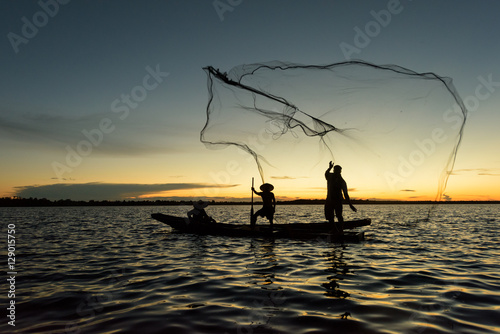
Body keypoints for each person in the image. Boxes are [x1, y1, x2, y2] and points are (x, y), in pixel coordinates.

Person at [324, 161, 357, 231]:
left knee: (339, 216)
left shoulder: (342, 181)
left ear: (340, 172)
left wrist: (350, 205)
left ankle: (341, 230)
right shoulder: (330, 176)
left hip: (338, 201)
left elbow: (346, 194)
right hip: (329, 201)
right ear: (333, 170)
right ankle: (334, 230)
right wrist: (329, 168)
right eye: (335, 170)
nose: (336, 172)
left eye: (338, 171)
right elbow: (326, 174)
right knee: (330, 217)